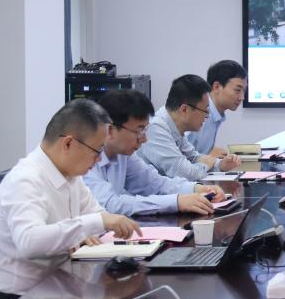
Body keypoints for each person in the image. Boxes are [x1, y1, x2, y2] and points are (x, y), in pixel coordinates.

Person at [0, 100, 141, 299]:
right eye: (97, 151)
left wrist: (87, 228)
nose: (98, 160)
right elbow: (29, 242)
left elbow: (95, 214)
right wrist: (90, 225)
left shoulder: (71, 175)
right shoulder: (25, 180)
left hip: (55, 289)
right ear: (68, 143)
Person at [84, 89, 224, 217]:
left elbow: (154, 184)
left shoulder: (124, 154)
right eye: (139, 130)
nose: (144, 139)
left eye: (145, 130)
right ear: (110, 130)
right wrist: (176, 202)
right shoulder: (85, 158)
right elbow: (110, 205)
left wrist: (198, 189)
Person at [139, 75, 241, 180]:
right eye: (205, 110)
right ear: (184, 109)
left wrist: (220, 164)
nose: (207, 116)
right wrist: (205, 165)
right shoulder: (155, 128)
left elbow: (193, 157)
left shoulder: (173, 123)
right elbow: (182, 172)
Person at [186, 59, 247, 157]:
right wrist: (208, 156)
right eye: (237, 90)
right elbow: (175, 157)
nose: (242, 97)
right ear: (217, 87)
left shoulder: (215, 115)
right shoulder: (196, 112)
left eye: (244, 91)